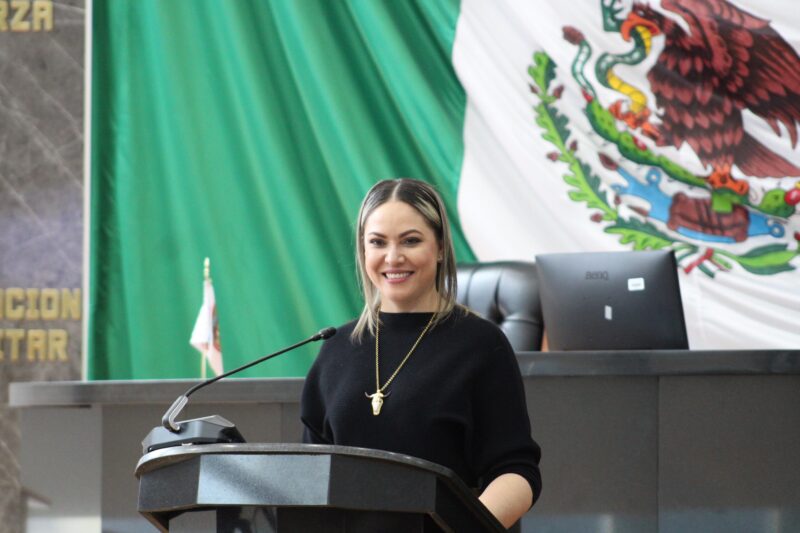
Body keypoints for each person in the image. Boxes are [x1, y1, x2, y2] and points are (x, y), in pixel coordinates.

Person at [301, 178, 541, 529]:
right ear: (363, 251)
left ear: (440, 247)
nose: (393, 257)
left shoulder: (481, 344)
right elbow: (308, 479)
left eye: (410, 241)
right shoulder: (336, 347)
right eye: (377, 242)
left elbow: (516, 474)